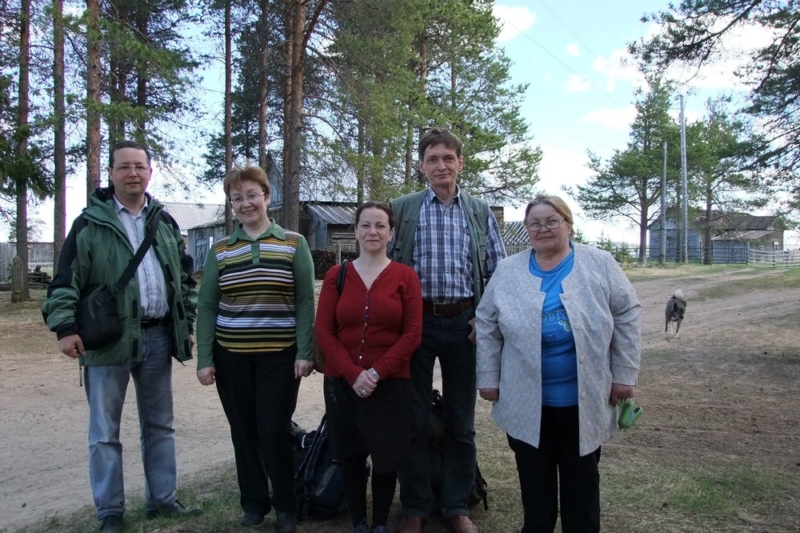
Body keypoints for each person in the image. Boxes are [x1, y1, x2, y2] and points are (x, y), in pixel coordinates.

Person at [42, 140, 200, 533]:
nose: (133, 173)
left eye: (139, 166)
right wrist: (64, 328)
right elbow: (65, 282)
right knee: (104, 433)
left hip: (157, 336)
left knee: (160, 425)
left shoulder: (163, 223)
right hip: (107, 341)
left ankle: (163, 500)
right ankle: (110, 511)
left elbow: (183, 277)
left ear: (149, 172)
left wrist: (188, 314)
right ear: (110, 174)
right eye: (124, 167)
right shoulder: (89, 225)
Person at [475, 195, 642, 533]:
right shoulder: (509, 270)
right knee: (536, 491)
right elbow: (486, 322)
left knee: (581, 487)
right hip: (527, 401)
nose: (543, 228)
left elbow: (626, 313)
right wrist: (488, 377)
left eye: (552, 221)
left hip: (583, 401)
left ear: (568, 224)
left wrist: (624, 374)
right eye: (534, 223)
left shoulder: (599, 263)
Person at [389, 127, 506, 533]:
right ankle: (415, 507)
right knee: (414, 419)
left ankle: (457, 505)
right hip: (414, 324)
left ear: (460, 163)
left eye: (448, 158)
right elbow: (382, 269)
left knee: (461, 421)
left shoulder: (478, 211)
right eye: (433, 159)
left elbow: (498, 271)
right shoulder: (401, 209)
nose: (441, 165)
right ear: (421, 166)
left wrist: (483, 317)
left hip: (464, 325)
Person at [195, 165, 315, 533]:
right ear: (231, 205)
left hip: (279, 356)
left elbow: (305, 300)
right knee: (243, 430)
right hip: (231, 358)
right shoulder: (220, 250)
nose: (245, 203)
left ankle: (285, 507)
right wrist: (204, 358)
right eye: (237, 198)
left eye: (252, 195)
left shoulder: (293, 243)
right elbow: (208, 306)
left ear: (266, 196)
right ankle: (253, 503)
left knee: (274, 429)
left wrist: (304, 351)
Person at [315, 201, 423, 533]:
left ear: (391, 233)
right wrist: (352, 373)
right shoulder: (338, 275)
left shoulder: (405, 277)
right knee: (349, 453)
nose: (372, 231)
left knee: (386, 456)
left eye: (380, 226)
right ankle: (359, 522)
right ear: (356, 230)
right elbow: (324, 331)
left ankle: (379, 523)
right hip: (342, 382)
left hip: (389, 382)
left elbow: (412, 333)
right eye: (365, 225)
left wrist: (375, 373)